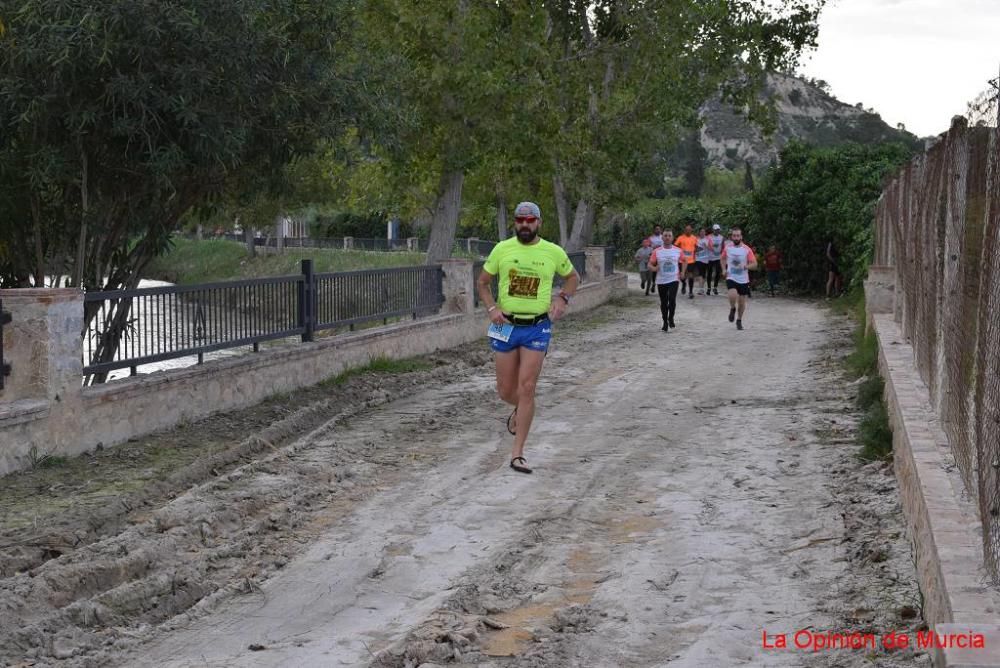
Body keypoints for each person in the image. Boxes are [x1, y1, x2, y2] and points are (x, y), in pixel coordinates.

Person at [477, 202, 579, 475]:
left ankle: (517, 454)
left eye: (530, 220)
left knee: (527, 387)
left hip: (537, 327)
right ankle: (522, 410)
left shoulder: (553, 251)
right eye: (520, 220)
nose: (525, 224)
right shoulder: (502, 249)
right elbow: (483, 282)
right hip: (505, 326)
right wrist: (491, 308)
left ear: (539, 223)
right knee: (505, 390)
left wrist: (563, 298)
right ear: (515, 222)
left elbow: (572, 277)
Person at [647, 230, 685, 332]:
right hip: (661, 280)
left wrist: (682, 272)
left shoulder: (678, 250)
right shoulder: (657, 251)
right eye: (665, 236)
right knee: (664, 302)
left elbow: (684, 261)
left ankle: (671, 318)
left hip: (674, 279)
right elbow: (649, 264)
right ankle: (664, 321)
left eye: (669, 236)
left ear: (672, 238)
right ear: (662, 238)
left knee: (672, 299)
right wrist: (654, 269)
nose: (667, 237)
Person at [721, 227, 758, 330]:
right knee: (732, 294)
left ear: (741, 237)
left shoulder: (747, 249)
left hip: (743, 279)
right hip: (731, 276)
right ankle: (732, 308)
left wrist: (747, 266)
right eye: (734, 236)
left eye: (738, 236)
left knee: (741, 302)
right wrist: (724, 269)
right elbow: (722, 259)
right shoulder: (727, 248)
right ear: (731, 237)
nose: (736, 237)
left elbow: (755, 264)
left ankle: (739, 320)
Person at [676, 224, 698, 297]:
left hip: (691, 260)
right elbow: (675, 246)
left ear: (691, 230)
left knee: (691, 276)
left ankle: (691, 292)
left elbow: (696, 247)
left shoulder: (694, 238)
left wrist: (695, 253)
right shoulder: (680, 238)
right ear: (684, 230)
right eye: (686, 229)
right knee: (682, 276)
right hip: (682, 261)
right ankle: (684, 283)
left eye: (689, 229)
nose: (688, 231)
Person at [706, 224, 724, 295]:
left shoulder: (721, 237)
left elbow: (723, 247)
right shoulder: (709, 237)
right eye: (716, 230)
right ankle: (708, 288)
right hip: (710, 257)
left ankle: (715, 288)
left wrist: (722, 254)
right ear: (713, 230)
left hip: (718, 257)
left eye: (718, 230)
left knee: (717, 272)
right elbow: (706, 245)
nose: (717, 231)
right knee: (709, 273)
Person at [694, 227, 712, 295]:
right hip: (698, 258)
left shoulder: (708, 239)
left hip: (706, 259)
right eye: (701, 231)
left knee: (703, 273)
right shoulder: (696, 239)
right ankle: (700, 289)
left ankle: (702, 288)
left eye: (703, 231)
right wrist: (696, 250)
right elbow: (694, 248)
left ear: (705, 233)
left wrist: (706, 246)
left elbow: (711, 248)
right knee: (700, 273)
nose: (702, 233)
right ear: (699, 232)